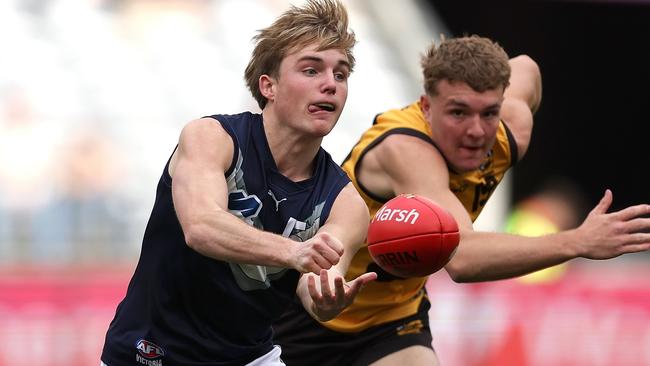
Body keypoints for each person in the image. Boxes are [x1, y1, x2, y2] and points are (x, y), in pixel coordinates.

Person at [273, 35, 650, 366]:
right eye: (457, 112)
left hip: (391, 320)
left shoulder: (510, 127)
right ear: (425, 107)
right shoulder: (405, 150)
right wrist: (578, 242)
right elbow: (462, 258)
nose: (475, 131)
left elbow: (526, 69)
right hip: (309, 313)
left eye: (489, 112)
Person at [100, 1, 377, 365]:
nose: (330, 85)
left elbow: (318, 287)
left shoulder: (346, 203)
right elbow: (201, 227)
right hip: (149, 353)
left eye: (340, 75)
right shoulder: (211, 138)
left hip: (250, 358)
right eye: (311, 70)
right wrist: (293, 252)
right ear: (269, 86)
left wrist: (326, 299)